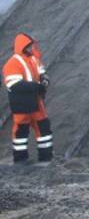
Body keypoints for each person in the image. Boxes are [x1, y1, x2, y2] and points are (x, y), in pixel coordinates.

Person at [5, 33, 52, 163]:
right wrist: (37, 86)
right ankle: (20, 159)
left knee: (44, 128)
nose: (31, 48)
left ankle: (46, 157)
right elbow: (14, 84)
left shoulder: (33, 59)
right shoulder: (13, 62)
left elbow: (42, 73)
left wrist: (44, 81)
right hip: (22, 103)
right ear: (22, 46)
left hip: (36, 102)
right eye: (29, 46)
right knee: (21, 131)